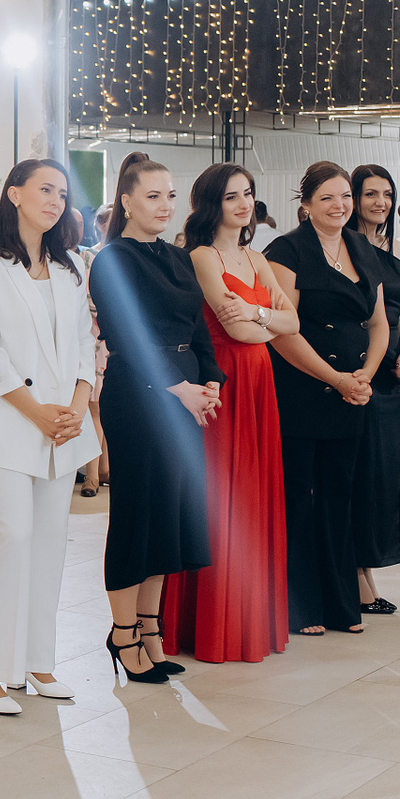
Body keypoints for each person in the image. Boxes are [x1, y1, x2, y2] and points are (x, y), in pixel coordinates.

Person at [0, 160, 99, 712]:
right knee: (11, 537)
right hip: (10, 423)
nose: (56, 200)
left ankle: (37, 661)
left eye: (62, 192)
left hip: (63, 427)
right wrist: (37, 412)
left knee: (49, 544)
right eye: (45, 189)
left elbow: (85, 343)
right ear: (14, 194)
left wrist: (77, 409)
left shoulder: (70, 266)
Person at [89, 153, 223, 683]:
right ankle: (123, 634)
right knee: (136, 517)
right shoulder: (112, 260)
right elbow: (128, 334)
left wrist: (210, 380)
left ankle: (151, 631)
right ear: (126, 202)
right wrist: (179, 388)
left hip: (185, 390)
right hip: (140, 395)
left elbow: (198, 326)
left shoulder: (178, 256)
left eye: (170, 195)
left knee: (168, 517)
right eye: (152, 196)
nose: (165, 205)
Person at [160, 163, 295, 663]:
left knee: (254, 493)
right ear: (210, 204)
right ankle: (210, 623)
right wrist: (269, 323)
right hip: (224, 380)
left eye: (248, 194)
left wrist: (258, 315)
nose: (243, 204)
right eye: (232, 196)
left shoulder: (256, 258)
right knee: (221, 495)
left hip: (261, 382)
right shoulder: (203, 256)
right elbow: (236, 331)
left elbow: (291, 321)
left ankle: (248, 620)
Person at [266, 162, 389, 637]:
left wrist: (365, 377)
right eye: (327, 198)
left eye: (345, 197)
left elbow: (377, 322)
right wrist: (336, 379)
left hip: (352, 393)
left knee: (341, 496)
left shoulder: (361, 247)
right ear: (306, 205)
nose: (340, 206)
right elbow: (283, 331)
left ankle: (341, 605)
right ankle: (301, 607)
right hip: (303, 386)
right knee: (300, 498)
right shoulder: (287, 250)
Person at [350, 165, 400, 617]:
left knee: (383, 478)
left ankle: (366, 571)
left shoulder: (391, 250)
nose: (380, 202)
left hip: (394, 373)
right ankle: (357, 575)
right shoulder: (345, 248)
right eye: (370, 194)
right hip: (363, 368)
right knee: (363, 475)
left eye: (387, 194)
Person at [79, 207, 113, 497]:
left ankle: (105, 467)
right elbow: (85, 295)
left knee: (107, 405)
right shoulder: (88, 256)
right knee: (94, 405)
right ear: (100, 226)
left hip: (116, 334)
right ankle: (92, 474)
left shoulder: (124, 254)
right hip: (93, 331)